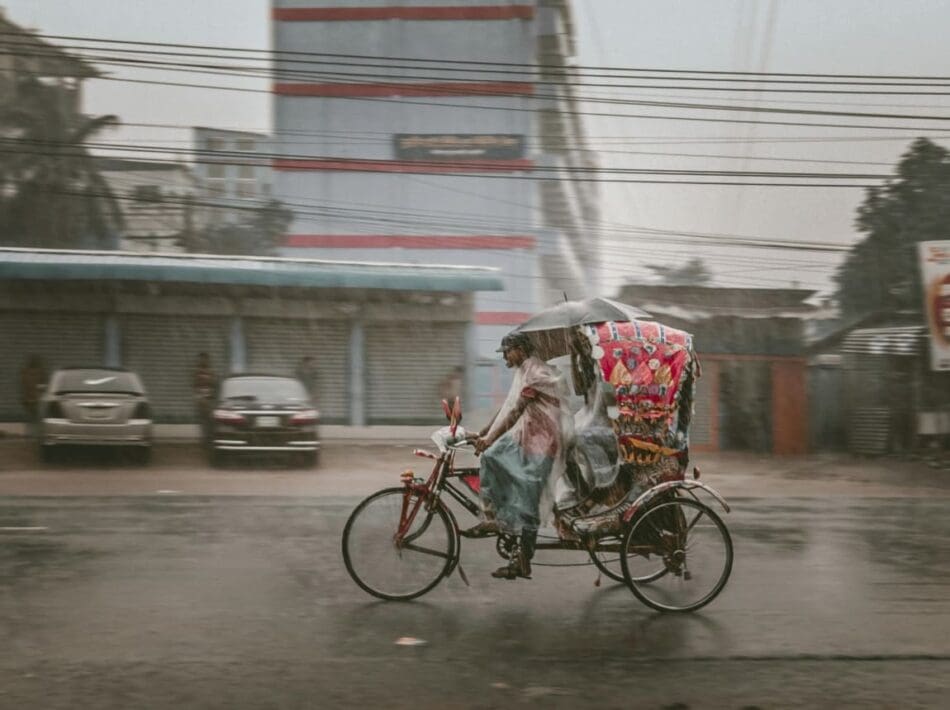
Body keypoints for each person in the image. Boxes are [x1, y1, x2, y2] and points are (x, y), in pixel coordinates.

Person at [460, 332, 570, 580]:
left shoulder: (535, 373)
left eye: (508, 352)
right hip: (528, 437)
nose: (506, 358)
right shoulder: (525, 371)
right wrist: (485, 432)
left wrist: (489, 439)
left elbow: (515, 412)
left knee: (528, 501)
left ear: (520, 349)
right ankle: (496, 517)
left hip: (542, 443)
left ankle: (522, 559)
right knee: (491, 457)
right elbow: (508, 406)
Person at [192, 352, 217, 447]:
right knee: (203, 420)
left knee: (210, 420)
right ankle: (205, 440)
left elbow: (214, 384)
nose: (203, 361)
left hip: (209, 399)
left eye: (204, 359)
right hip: (200, 398)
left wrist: (207, 380)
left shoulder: (211, 371)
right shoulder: (197, 371)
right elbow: (194, 384)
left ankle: (210, 439)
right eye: (201, 359)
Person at [20, 354, 47, 438]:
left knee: (30, 418)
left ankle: (28, 434)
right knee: (38, 418)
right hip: (37, 399)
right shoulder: (40, 373)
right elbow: (43, 386)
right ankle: (37, 434)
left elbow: (23, 385)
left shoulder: (24, 372)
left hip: (27, 398)